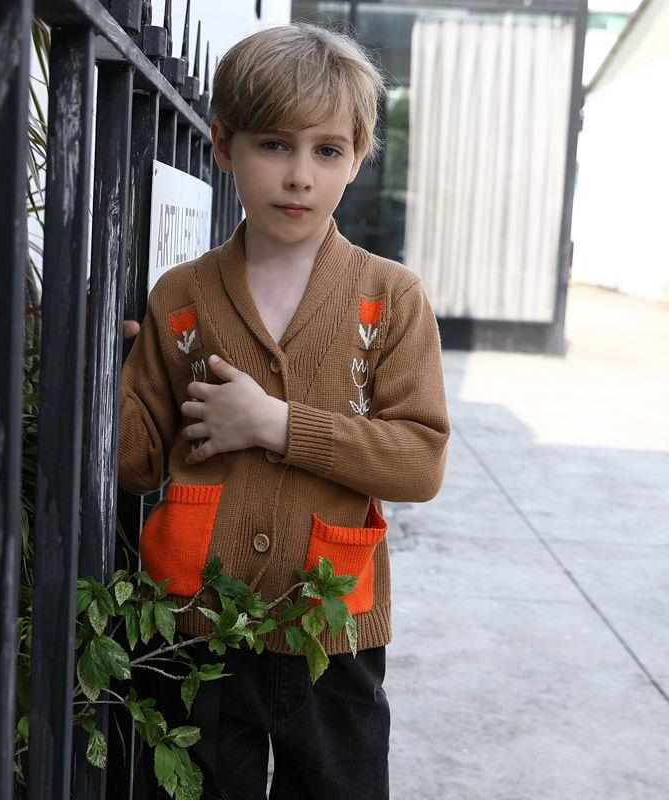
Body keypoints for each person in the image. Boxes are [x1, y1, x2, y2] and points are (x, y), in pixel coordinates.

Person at [117, 21, 451, 800]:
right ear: (224, 145)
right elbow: (135, 463)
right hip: (198, 626)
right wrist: (114, 368)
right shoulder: (182, 296)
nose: (299, 175)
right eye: (274, 145)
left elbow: (419, 461)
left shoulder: (389, 298)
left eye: (327, 151)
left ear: (358, 159)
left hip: (331, 636)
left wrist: (275, 424)